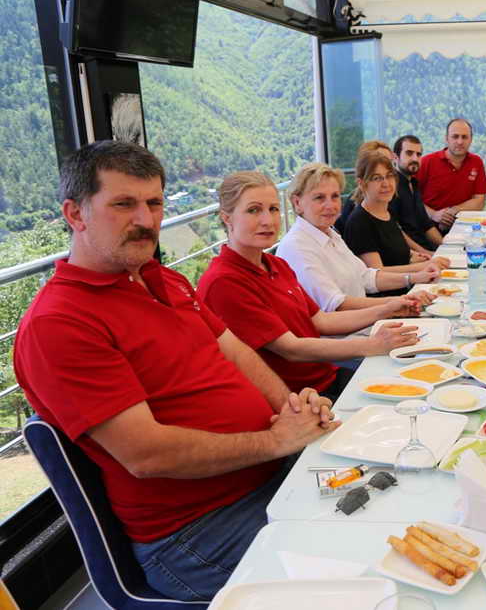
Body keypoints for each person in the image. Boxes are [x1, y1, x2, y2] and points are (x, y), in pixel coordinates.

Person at [13, 141, 336, 602]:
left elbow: (237, 354)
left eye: (154, 203)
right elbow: (146, 455)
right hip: (196, 532)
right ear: (75, 213)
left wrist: (293, 408)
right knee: (357, 563)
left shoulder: (165, 279)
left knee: (392, 498)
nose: (145, 220)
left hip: (268, 474)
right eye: (123, 204)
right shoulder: (60, 323)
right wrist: (274, 441)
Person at [199, 171, 422, 396]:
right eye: (254, 210)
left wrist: (387, 309)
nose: (268, 221)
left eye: (273, 209)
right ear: (227, 218)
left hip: (325, 376)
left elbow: (320, 321)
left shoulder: (276, 264)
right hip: (301, 396)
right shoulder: (224, 281)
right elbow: (291, 349)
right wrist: (373, 344)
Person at [276, 163, 439, 313]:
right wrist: (398, 302)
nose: (330, 205)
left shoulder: (330, 234)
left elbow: (365, 276)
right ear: (297, 203)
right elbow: (337, 304)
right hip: (348, 331)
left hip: (366, 321)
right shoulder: (297, 247)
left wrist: (414, 277)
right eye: (319, 198)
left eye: (335, 196)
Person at [344, 149, 449, 292]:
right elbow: (377, 273)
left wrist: (413, 255)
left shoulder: (386, 211)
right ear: (362, 184)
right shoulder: (359, 222)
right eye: (377, 178)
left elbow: (392, 251)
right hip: (390, 298)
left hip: (409, 287)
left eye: (389, 176)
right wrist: (423, 266)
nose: (386, 183)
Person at [417, 117, 486, 230]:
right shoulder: (427, 162)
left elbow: (479, 201)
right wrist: (434, 214)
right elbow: (411, 198)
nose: (460, 142)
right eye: (455, 136)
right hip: (429, 226)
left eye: (464, 137)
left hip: (465, 227)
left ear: (471, 139)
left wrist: (453, 211)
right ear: (446, 139)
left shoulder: (476, 162)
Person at [389, 135, 444, 251]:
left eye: (418, 154)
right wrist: (426, 254)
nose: (415, 158)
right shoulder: (390, 188)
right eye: (409, 153)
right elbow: (395, 231)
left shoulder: (414, 183)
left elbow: (426, 225)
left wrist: (446, 246)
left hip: (426, 248)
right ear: (395, 157)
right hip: (410, 254)